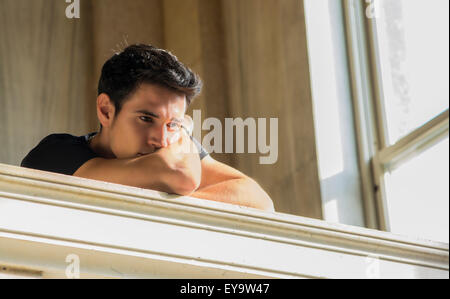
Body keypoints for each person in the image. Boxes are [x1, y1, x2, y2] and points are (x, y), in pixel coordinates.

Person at [21, 44, 274, 212]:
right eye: (145, 118)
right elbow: (177, 172)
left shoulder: (170, 145)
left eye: (172, 123)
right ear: (106, 110)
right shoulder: (54, 155)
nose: (161, 140)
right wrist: (184, 130)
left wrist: (167, 207)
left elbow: (259, 201)